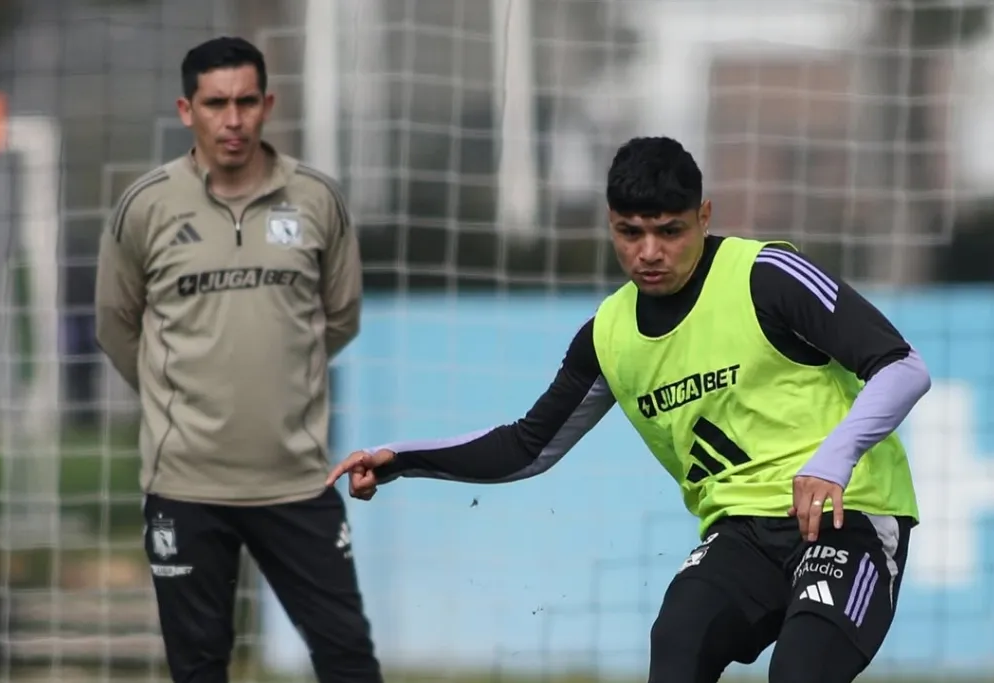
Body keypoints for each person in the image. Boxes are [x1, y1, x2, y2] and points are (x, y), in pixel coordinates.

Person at [326, 136, 931, 682]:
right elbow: (527, 446)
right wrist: (401, 458)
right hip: (740, 534)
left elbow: (903, 367)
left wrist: (835, 459)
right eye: (629, 232)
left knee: (800, 671)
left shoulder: (766, 276)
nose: (648, 252)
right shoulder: (609, 335)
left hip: (849, 519)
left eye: (669, 231)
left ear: (704, 217)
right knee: (678, 638)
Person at [95, 36, 382, 683]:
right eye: (216, 103)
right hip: (185, 481)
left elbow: (340, 317)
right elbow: (116, 326)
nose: (233, 119)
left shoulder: (317, 201)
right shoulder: (145, 206)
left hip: (296, 477)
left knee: (349, 658)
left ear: (267, 104)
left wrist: (279, 374)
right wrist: (183, 394)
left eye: (246, 101)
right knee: (199, 669)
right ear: (185, 109)